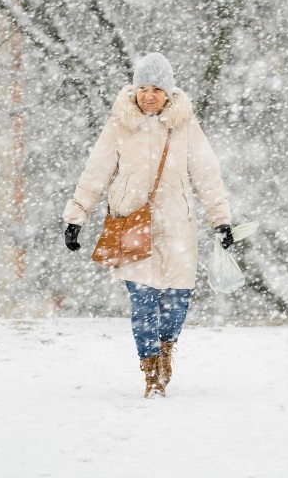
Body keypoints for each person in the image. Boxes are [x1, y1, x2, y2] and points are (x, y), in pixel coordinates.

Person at [62, 52, 234, 398]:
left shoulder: (185, 125)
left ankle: (167, 348)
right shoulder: (119, 125)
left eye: (157, 88)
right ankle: (151, 370)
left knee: (176, 302)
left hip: (178, 229)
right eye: (143, 88)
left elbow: (206, 174)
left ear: (168, 92)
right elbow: (96, 171)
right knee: (142, 302)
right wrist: (76, 216)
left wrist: (221, 219)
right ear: (134, 90)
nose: (150, 95)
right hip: (132, 226)